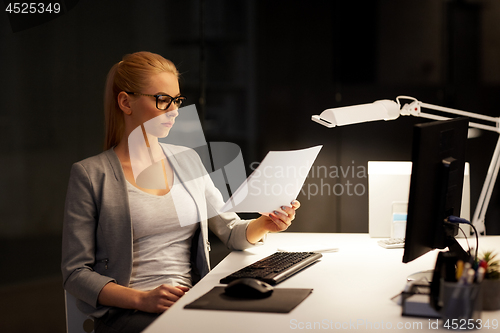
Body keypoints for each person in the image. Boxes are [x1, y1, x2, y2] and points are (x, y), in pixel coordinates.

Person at [61, 51, 300, 333]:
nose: (174, 111)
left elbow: (231, 231)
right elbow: (75, 274)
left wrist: (265, 224)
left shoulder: (188, 160)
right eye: (162, 100)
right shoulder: (91, 174)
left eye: (177, 100)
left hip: (192, 302)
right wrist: (143, 299)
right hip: (128, 313)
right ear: (126, 102)